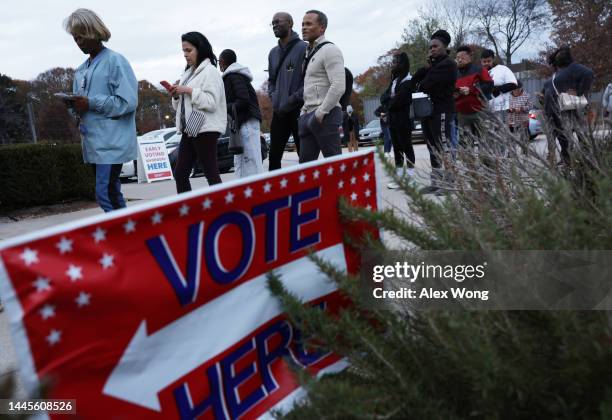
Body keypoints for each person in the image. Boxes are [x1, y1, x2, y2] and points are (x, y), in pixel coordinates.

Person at [62, 9, 138, 213]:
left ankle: (121, 237)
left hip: (112, 142)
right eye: (75, 38)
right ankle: (129, 234)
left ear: (94, 31)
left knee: (104, 194)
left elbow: (128, 102)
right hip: (93, 143)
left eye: (81, 36)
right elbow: (84, 105)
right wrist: (74, 107)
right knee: (112, 192)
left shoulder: (115, 61)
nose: (78, 42)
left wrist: (90, 103)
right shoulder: (80, 70)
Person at [168, 32, 227, 193]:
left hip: (206, 127)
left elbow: (211, 102)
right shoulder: (187, 72)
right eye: (183, 51)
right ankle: (188, 211)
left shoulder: (210, 71)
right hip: (191, 126)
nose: (185, 55)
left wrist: (187, 90)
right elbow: (179, 107)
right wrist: (176, 95)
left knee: (211, 173)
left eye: (189, 50)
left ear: (199, 49)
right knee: (180, 173)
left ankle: (223, 209)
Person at [412, 30, 457, 194]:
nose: (432, 49)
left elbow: (425, 85)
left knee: (444, 145)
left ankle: (450, 183)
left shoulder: (448, 64)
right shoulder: (433, 66)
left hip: (443, 110)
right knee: (432, 147)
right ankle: (437, 182)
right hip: (429, 112)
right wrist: (426, 68)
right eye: (430, 47)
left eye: (436, 46)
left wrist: (426, 74)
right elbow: (416, 80)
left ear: (445, 47)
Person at [298, 10, 346, 163]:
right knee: (305, 170)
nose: (304, 28)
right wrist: (303, 113)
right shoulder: (308, 53)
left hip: (325, 115)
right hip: (307, 116)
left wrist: (321, 112)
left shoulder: (330, 50)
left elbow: (339, 85)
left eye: (309, 24)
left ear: (322, 27)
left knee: (334, 167)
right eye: (303, 24)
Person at [267, 12, 308, 170]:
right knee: (274, 157)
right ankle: (275, 192)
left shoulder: (304, 48)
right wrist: (273, 96)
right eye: (272, 23)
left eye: (278, 22)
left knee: (304, 155)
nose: (275, 25)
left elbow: (308, 81)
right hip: (279, 111)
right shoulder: (273, 53)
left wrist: (292, 99)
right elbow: (271, 80)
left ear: (290, 23)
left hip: (299, 109)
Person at [543, 46, 594, 165]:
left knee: (579, 133)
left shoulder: (574, 68)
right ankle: (568, 159)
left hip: (572, 108)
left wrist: (580, 91)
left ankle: (586, 159)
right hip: (560, 108)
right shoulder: (560, 73)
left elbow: (589, 74)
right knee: (564, 135)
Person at [219, 49, 264, 178]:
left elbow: (243, 100)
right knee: (245, 160)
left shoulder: (233, 76)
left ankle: (254, 190)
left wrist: (223, 107)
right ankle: (245, 190)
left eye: (219, 61)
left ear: (222, 61)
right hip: (246, 121)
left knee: (250, 160)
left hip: (247, 121)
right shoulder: (236, 75)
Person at [381, 52, 414, 189]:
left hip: (404, 120)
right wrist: (390, 101)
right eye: (393, 62)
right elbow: (384, 97)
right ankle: (400, 178)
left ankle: (411, 178)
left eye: (395, 62)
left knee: (407, 148)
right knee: (397, 150)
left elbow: (399, 101)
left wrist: (390, 102)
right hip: (393, 120)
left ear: (402, 64)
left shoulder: (408, 80)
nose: (393, 64)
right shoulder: (394, 81)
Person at [454, 45, 493, 145]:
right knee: (465, 144)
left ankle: (486, 161)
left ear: (469, 56)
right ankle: (468, 161)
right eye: (457, 57)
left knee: (485, 142)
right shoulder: (455, 74)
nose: (459, 60)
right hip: (462, 114)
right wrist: (455, 94)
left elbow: (489, 85)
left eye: (462, 57)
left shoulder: (479, 69)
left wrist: (471, 90)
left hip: (480, 111)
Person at [481, 49, 518, 125]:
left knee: (507, 134)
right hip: (488, 110)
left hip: (504, 108)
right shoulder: (480, 72)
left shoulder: (502, 69)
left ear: (493, 60)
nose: (486, 63)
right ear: (481, 61)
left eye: (489, 61)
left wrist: (497, 89)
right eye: (484, 62)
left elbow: (513, 84)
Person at [507, 81, 532, 146]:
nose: (516, 91)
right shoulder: (508, 97)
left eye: (518, 89)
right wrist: (509, 109)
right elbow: (505, 107)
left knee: (524, 139)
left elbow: (530, 106)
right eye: (514, 90)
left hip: (523, 121)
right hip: (512, 121)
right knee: (511, 139)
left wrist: (521, 109)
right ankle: (511, 153)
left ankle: (525, 153)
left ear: (521, 88)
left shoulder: (526, 95)